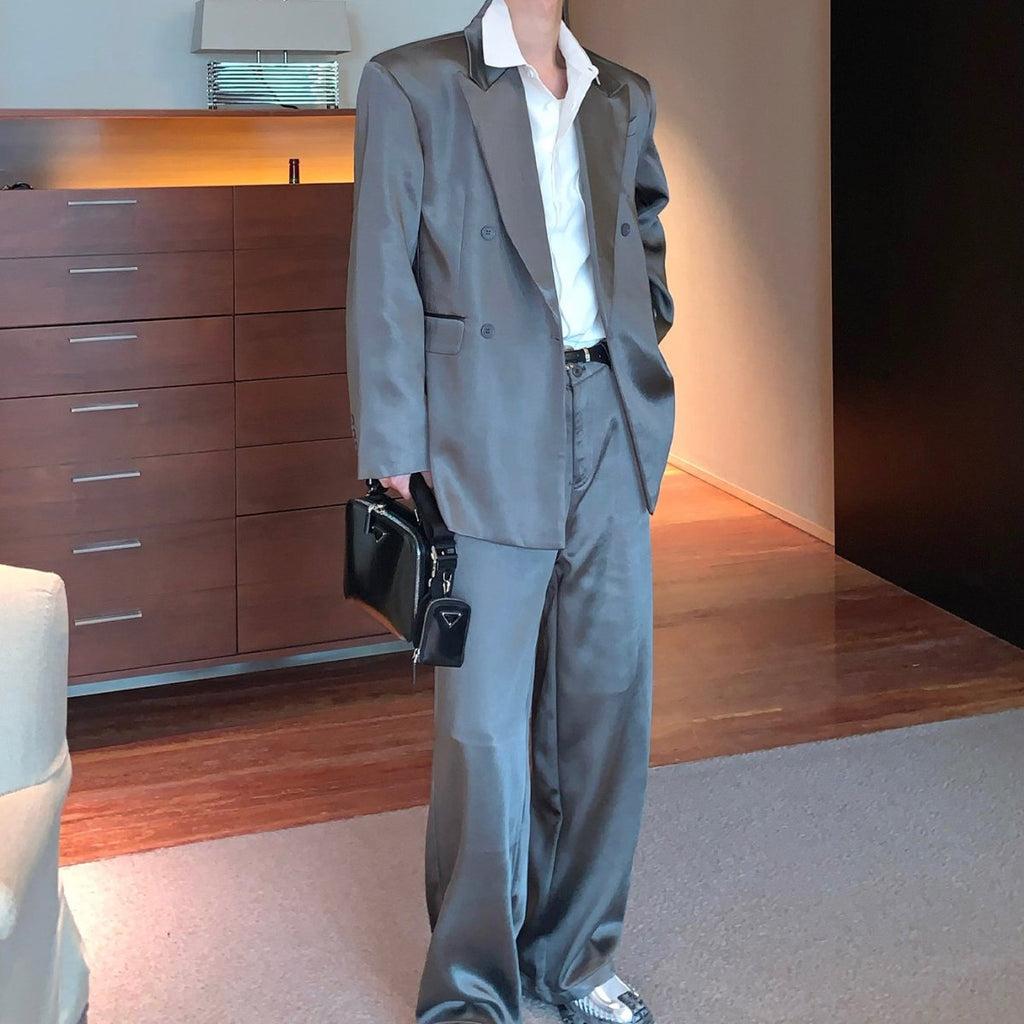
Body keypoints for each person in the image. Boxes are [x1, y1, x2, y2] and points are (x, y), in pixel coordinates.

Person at [346, 0, 674, 1021]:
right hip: (479, 425)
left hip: (607, 420)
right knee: (484, 729)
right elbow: (383, 269)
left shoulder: (620, 94)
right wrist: (394, 444)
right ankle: (471, 988)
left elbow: (644, 234)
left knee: (605, 707)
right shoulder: (412, 83)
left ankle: (573, 961)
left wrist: (636, 334)